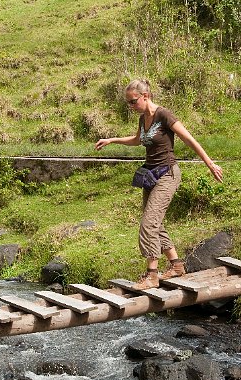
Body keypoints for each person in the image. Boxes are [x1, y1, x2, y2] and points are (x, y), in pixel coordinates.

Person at [95, 79, 223, 290]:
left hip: (168, 175)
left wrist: (209, 163)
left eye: (133, 101)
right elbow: (138, 140)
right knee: (155, 222)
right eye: (128, 103)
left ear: (146, 96)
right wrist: (112, 140)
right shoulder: (143, 118)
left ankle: (152, 275)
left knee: (149, 224)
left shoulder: (164, 115)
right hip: (151, 176)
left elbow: (189, 139)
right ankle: (176, 265)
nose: (131, 106)